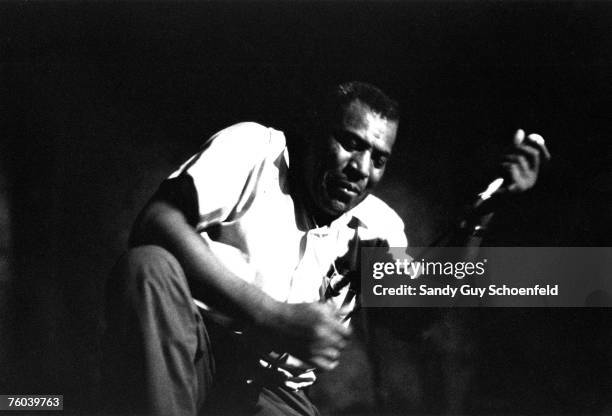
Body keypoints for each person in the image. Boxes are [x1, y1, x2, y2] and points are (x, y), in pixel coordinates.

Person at [102, 81, 550, 415]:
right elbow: (156, 221)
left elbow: (422, 318)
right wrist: (274, 316)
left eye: (379, 158)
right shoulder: (257, 148)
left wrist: (486, 210)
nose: (361, 169)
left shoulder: (378, 226)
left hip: (271, 394)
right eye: (351, 144)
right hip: (188, 349)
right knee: (149, 266)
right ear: (315, 131)